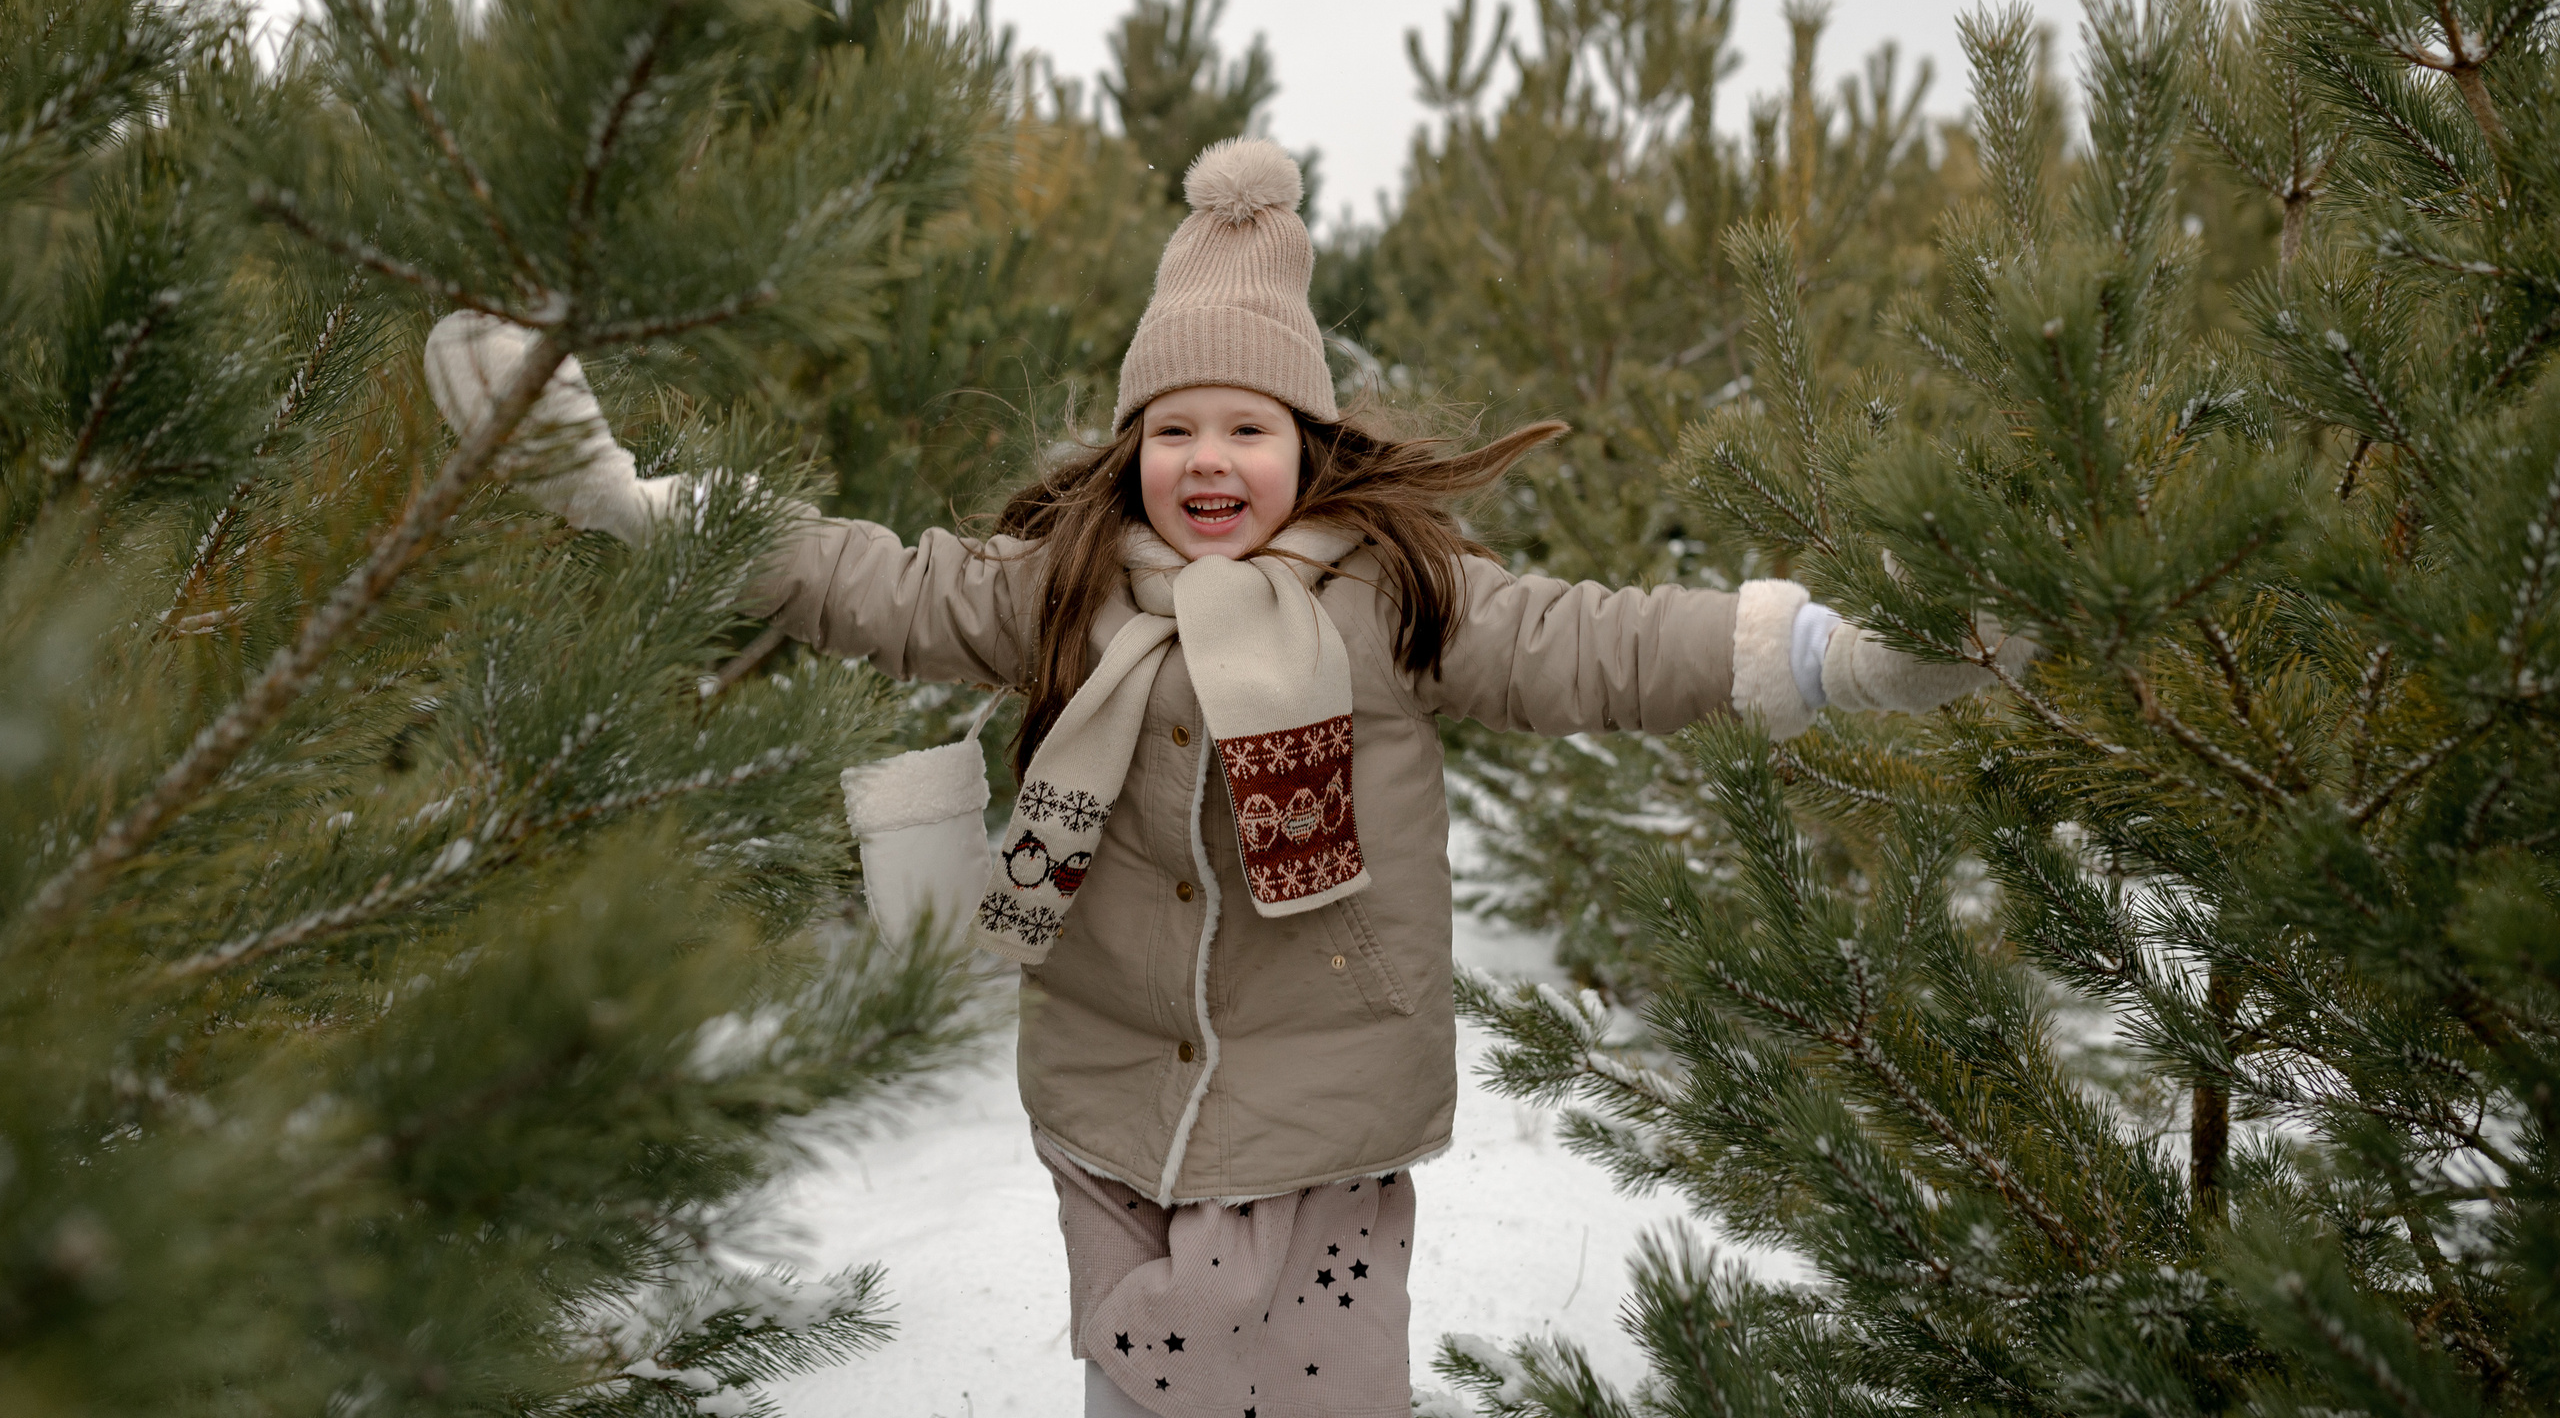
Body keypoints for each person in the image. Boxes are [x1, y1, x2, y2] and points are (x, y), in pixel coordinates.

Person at [423, 137, 2019, 1418]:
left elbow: (1600, 642)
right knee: (1142, 1379)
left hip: (1322, 1091)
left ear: (1305, 444)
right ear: (1132, 450)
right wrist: (637, 505)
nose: (1206, 460)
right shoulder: (1067, 591)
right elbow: (869, 580)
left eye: (1245, 427)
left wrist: (1833, 656)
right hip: (1110, 1084)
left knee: (1311, 1383)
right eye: (1172, 428)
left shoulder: (1391, 597)